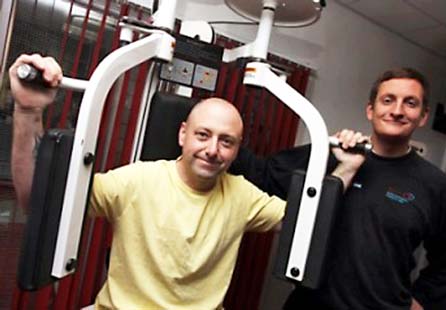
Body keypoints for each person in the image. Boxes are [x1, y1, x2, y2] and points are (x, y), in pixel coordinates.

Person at [9, 54, 364, 309]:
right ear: (183, 134)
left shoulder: (242, 196)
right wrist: (27, 111)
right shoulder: (137, 181)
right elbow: (35, 201)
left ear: (237, 149)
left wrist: (345, 169)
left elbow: (303, 223)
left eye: (226, 142)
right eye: (203, 135)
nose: (212, 150)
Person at [230, 67, 446, 309]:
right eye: (388, 100)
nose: (397, 110)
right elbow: (263, 173)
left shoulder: (436, 187)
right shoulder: (329, 156)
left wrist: (423, 302)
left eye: (410, 103)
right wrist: (205, 132)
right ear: (370, 110)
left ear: (423, 116)